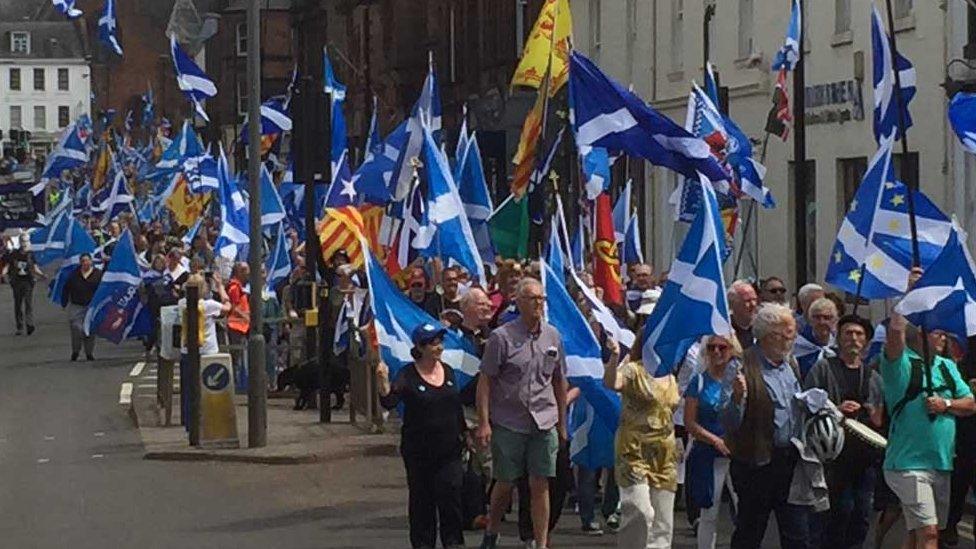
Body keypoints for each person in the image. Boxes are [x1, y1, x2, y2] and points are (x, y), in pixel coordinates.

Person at [881, 268, 976, 549]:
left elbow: (970, 403)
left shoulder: (947, 367)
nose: (943, 338)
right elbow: (895, 333)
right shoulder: (901, 364)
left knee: (916, 535)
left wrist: (946, 404)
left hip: (941, 463)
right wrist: (907, 293)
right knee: (930, 534)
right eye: (936, 333)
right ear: (919, 334)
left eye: (944, 336)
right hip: (909, 465)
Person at [476, 278, 568, 549]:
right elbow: (486, 380)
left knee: (540, 482)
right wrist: (484, 423)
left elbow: (559, 381)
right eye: (532, 299)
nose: (538, 304)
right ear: (518, 301)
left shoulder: (553, 336)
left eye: (541, 299)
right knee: (505, 483)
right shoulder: (501, 337)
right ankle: (492, 528)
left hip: (544, 420)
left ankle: (540, 542)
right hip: (509, 421)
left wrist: (562, 424)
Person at [721, 303, 810, 549]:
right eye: (788, 333)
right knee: (751, 531)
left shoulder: (790, 364)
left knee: (797, 534)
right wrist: (737, 399)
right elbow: (728, 422)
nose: (792, 339)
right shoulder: (740, 365)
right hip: (756, 463)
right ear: (770, 335)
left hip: (790, 461)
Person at [377, 323, 466, 549]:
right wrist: (382, 381)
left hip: (450, 451)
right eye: (433, 343)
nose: (439, 347)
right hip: (420, 454)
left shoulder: (448, 372)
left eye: (440, 342)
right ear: (421, 347)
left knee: (452, 502)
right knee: (422, 504)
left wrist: (467, 433)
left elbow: (456, 407)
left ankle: (454, 544)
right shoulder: (408, 375)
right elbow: (389, 401)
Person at [803, 314, 883, 549]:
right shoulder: (823, 368)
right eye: (848, 333)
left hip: (864, 456)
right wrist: (835, 409)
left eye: (859, 334)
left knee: (862, 514)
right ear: (838, 338)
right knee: (839, 511)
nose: (854, 339)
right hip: (834, 456)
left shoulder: (873, 376)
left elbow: (879, 419)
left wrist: (869, 410)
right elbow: (807, 403)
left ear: (866, 342)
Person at [603, 332, 678, 548]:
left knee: (663, 521)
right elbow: (611, 382)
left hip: (664, 454)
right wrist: (615, 357)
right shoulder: (634, 370)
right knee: (639, 510)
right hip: (634, 451)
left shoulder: (670, 375)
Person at [684, 334, 741, 549]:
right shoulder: (698, 382)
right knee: (710, 512)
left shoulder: (739, 381)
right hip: (709, 455)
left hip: (736, 455)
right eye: (712, 348)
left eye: (722, 347)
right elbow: (690, 422)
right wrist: (714, 440)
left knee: (744, 510)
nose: (716, 352)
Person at [178, 274, 231, 432]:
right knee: (209, 388)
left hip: (187, 351)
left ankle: (190, 424)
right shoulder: (209, 305)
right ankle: (208, 421)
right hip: (208, 351)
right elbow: (227, 308)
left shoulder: (182, 303)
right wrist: (221, 287)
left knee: (189, 389)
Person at [62, 253, 102, 361]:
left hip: (91, 306)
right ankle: (76, 350)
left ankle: (89, 353)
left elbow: (103, 289)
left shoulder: (98, 274)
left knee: (89, 331)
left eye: (87, 260)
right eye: (83, 261)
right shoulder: (74, 275)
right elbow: (66, 288)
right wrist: (64, 302)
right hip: (77, 305)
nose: (85, 263)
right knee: (76, 328)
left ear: (91, 261)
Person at [3, 233, 45, 335]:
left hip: (28, 281)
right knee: (18, 304)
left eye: (26, 241)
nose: (24, 243)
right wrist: (3, 274)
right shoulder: (14, 254)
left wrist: (42, 275)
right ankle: (20, 326)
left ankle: (29, 324)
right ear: (20, 242)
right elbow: (7, 266)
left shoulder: (31, 255)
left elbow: (34, 268)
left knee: (28, 303)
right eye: (23, 241)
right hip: (16, 281)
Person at [794, 297, 839, 378]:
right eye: (817, 317)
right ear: (809, 320)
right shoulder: (798, 346)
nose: (822, 322)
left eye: (827, 318)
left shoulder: (839, 346)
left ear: (834, 321)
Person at [227, 262, 250, 392]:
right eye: (245, 270)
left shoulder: (240, 286)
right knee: (237, 358)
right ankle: (236, 386)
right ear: (239, 272)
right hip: (236, 326)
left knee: (241, 357)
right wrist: (246, 316)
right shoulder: (234, 287)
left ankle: (240, 384)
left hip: (242, 326)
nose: (248, 273)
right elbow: (233, 307)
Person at [727, 280, 759, 349]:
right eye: (747, 300)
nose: (753, 304)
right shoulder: (725, 329)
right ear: (733, 304)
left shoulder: (763, 327)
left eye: (754, 299)